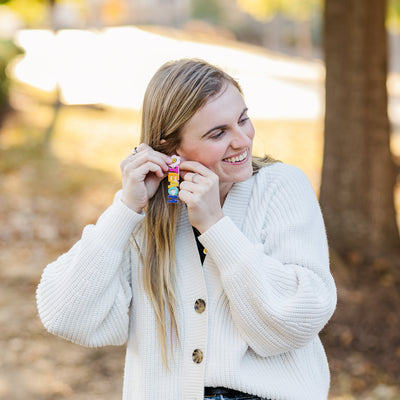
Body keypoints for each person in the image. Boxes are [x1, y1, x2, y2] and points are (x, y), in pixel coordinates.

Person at [36, 58, 337, 400]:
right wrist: (124, 210)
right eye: (218, 133)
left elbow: (297, 319)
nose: (242, 140)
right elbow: (67, 315)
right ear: (172, 149)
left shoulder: (281, 187)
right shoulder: (146, 212)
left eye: (243, 120)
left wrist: (216, 227)